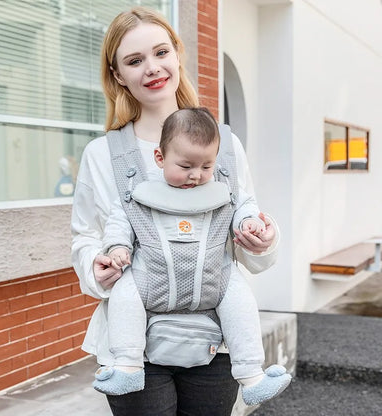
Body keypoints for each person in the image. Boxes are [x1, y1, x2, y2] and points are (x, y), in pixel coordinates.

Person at [71, 6, 283, 415]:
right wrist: (95, 266)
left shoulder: (224, 144)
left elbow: (245, 224)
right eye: (134, 61)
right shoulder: (101, 155)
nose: (152, 68)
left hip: (216, 341)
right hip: (134, 346)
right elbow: (85, 237)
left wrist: (262, 241)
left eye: (160, 52)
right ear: (117, 75)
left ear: (177, 54)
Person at [92, 107, 291, 406]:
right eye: (185, 166)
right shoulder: (141, 191)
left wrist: (250, 224)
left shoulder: (223, 188)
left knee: (240, 300)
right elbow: (120, 220)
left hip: (215, 279)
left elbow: (244, 204)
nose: (196, 176)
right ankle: (128, 364)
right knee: (125, 293)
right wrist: (117, 248)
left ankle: (251, 374)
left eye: (206, 166)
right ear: (160, 158)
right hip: (151, 278)